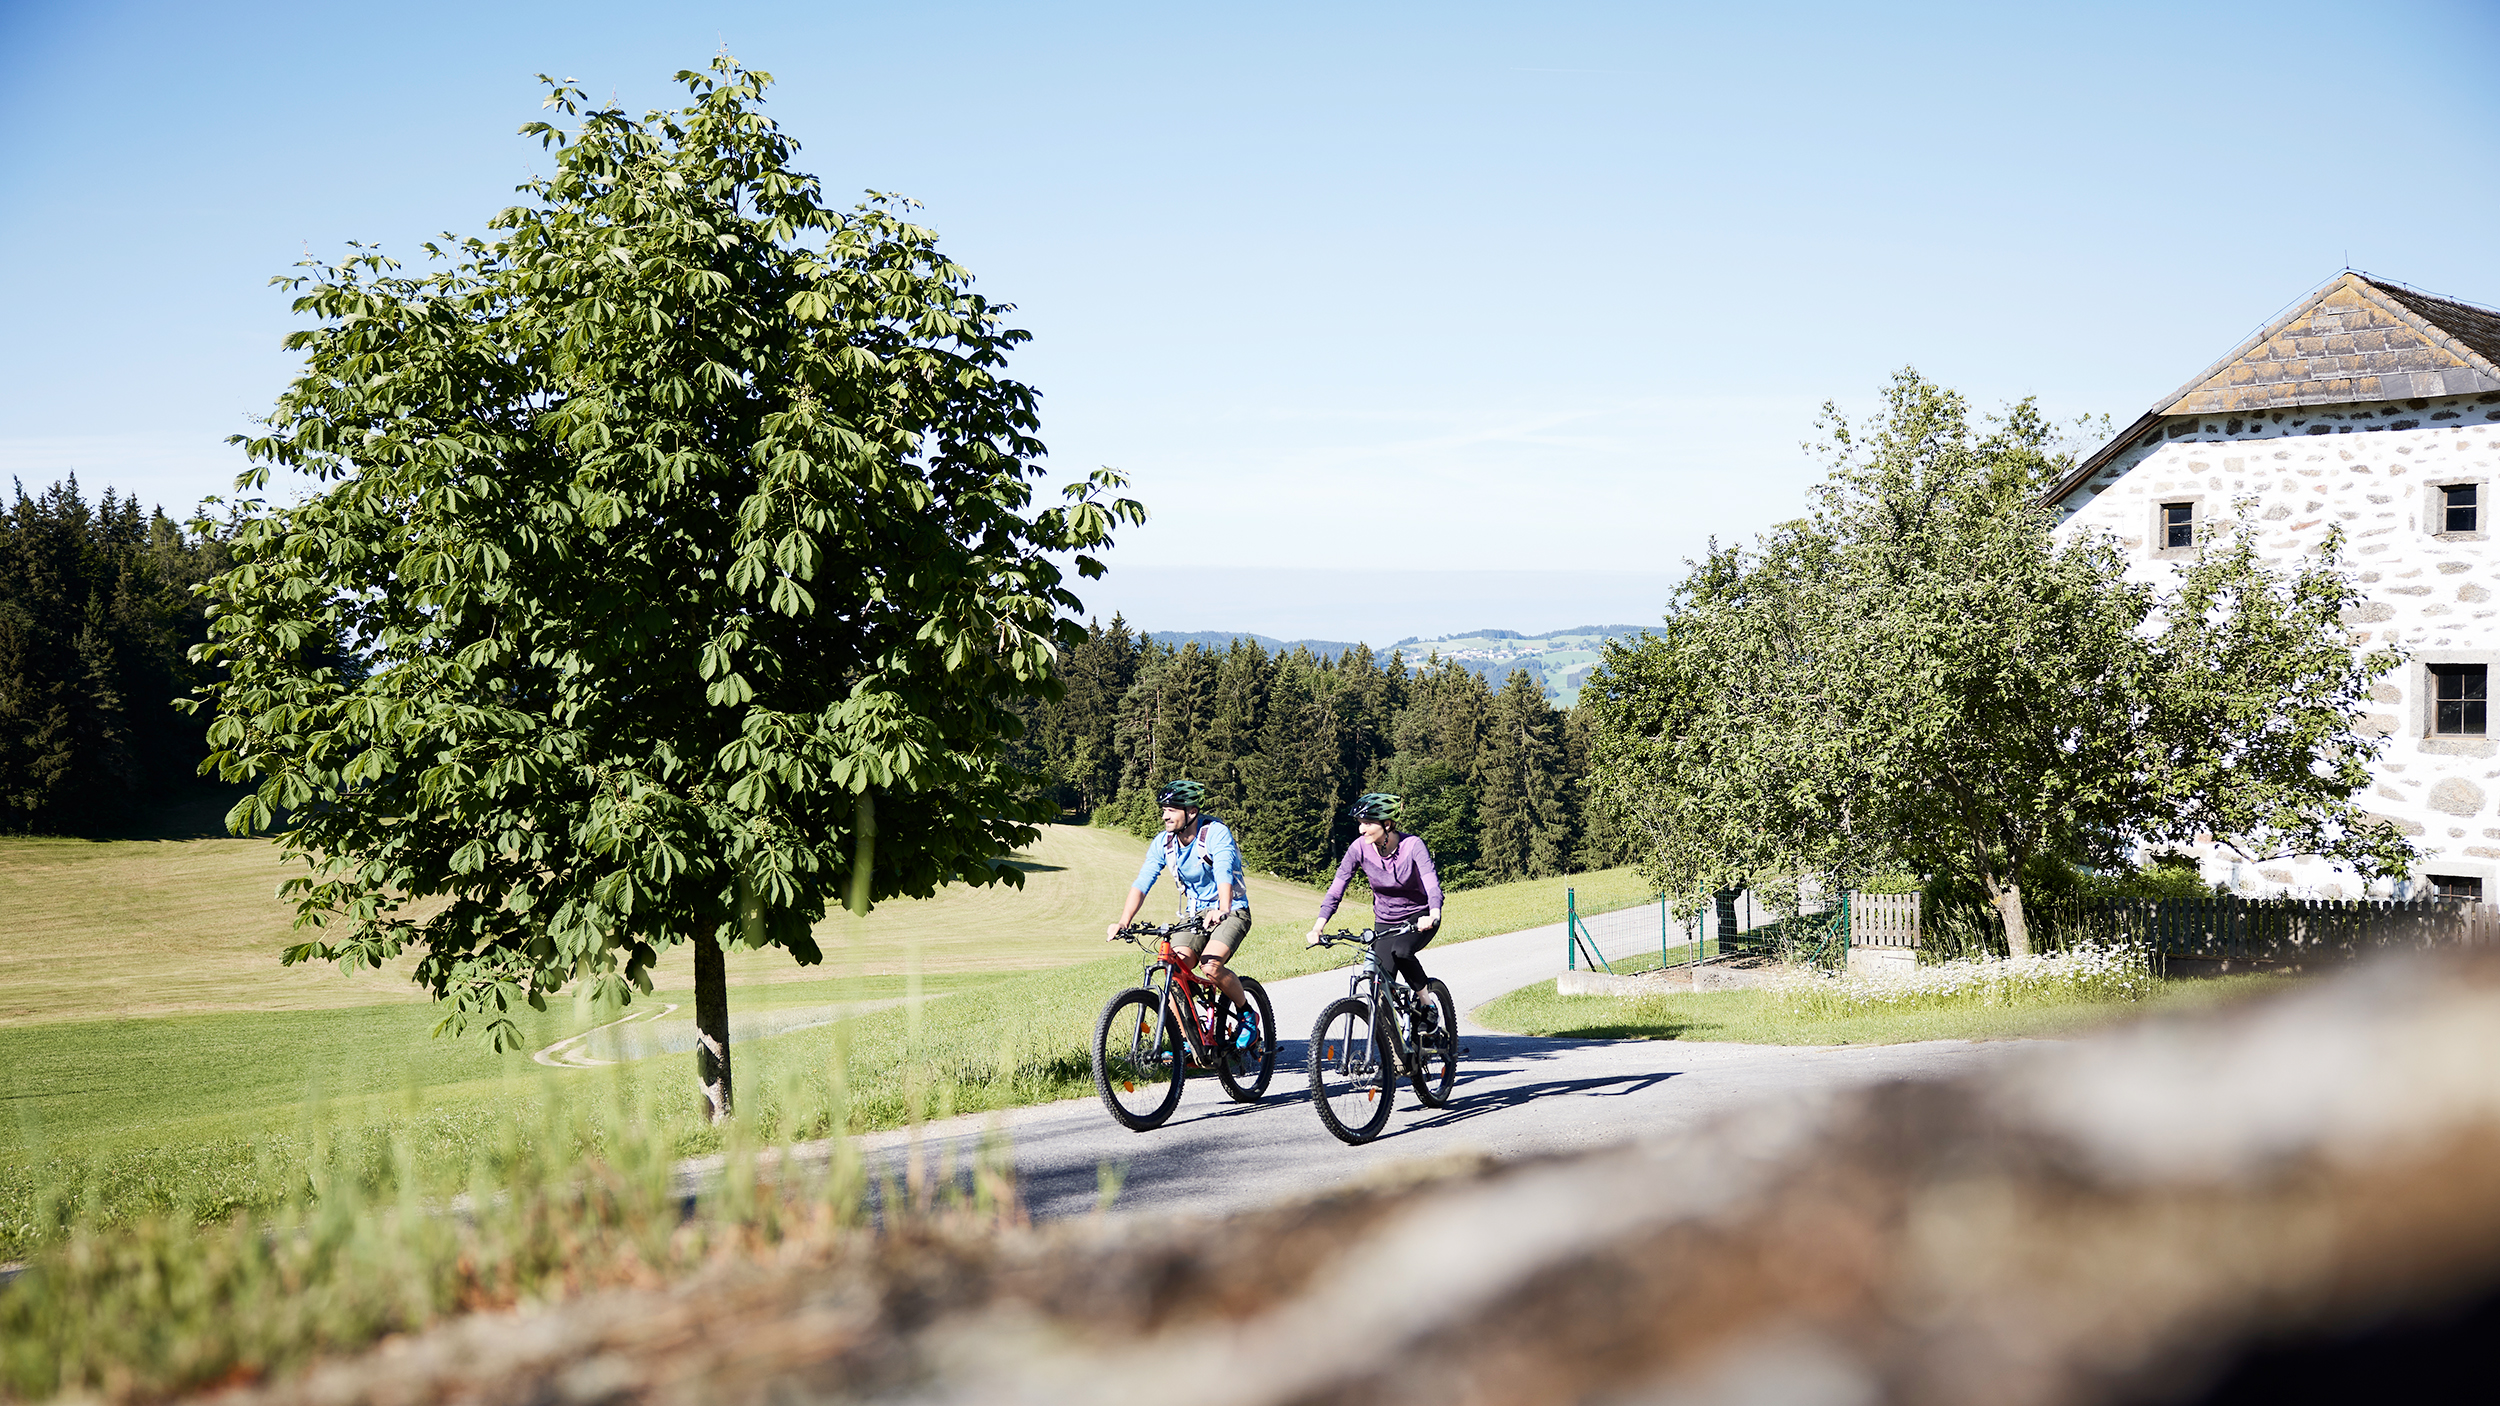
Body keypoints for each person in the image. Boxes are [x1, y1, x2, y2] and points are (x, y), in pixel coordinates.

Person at [1110, 779, 1257, 1040]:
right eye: (1163, 810)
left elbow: (1223, 870)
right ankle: (1190, 1039)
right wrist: (1123, 921)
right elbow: (1143, 882)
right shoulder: (1164, 843)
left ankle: (1246, 1013)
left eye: (1172, 810)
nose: (1165, 816)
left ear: (1191, 811)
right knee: (1173, 969)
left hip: (1231, 909)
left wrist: (1223, 909)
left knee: (1210, 965)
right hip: (1195, 916)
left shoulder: (1215, 833)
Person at [1306, 793, 1444, 1024]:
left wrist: (1433, 913)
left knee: (1401, 951)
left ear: (1387, 824)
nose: (1362, 830)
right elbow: (1337, 887)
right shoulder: (1359, 848)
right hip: (1385, 920)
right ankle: (1395, 1054)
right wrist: (1318, 926)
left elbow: (1430, 880)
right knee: (1380, 991)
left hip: (1418, 915)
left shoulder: (1412, 845)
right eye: (1360, 824)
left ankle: (1426, 1003)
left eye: (1368, 823)